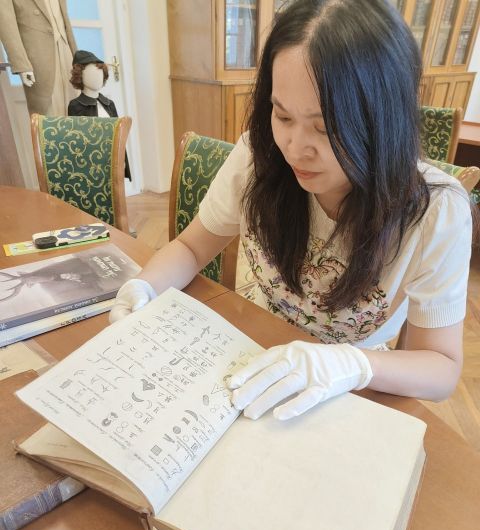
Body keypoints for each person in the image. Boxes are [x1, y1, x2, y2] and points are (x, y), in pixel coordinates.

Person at [109, 0, 474, 421]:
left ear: (383, 120)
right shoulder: (259, 157)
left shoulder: (436, 212)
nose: (295, 148)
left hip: (345, 389)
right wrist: (144, 287)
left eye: (325, 127)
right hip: (247, 353)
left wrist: (350, 364)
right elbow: (192, 248)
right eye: (282, 116)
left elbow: (441, 369)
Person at [0, 0, 77, 115]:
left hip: (67, 51)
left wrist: (77, 56)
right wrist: (21, 65)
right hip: (39, 55)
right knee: (48, 116)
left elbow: (64, 18)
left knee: (76, 110)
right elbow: (7, 25)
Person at [68, 50, 131, 180]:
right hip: (93, 165)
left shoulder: (109, 104)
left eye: (100, 73)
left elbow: (119, 135)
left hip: (113, 158)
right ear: (80, 76)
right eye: (91, 74)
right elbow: (77, 142)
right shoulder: (76, 106)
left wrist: (122, 159)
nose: (97, 78)